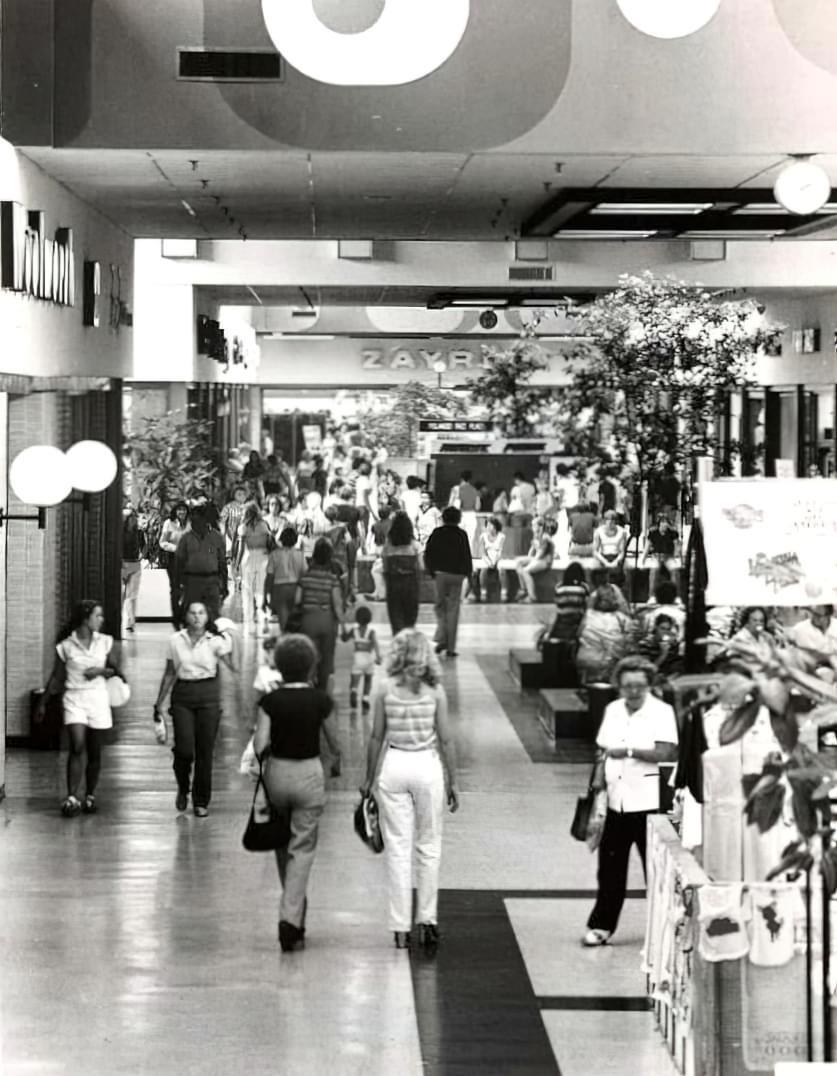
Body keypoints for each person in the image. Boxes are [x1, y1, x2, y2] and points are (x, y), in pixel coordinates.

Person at [361, 629, 459, 950]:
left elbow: (376, 737)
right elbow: (445, 740)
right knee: (429, 846)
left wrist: (368, 778)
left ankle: (399, 927)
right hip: (427, 766)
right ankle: (427, 921)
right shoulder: (435, 692)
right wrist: (454, 780)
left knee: (398, 849)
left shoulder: (384, 689)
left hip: (395, 765)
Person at [252, 634, 342, 952]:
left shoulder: (270, 701)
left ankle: (296, 912)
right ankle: (289, 919)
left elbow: (260, 745)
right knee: (302, 848)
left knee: (281, 842)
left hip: (277, 773)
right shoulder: (321, 701)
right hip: (308, 774)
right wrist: (336, 762)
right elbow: (335, 744)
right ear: (310, 666)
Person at [583, 656, 678, 947]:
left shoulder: (662, 712)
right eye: (627, 686)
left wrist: (628, 751)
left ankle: (667, 927)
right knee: (610, 869)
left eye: (639, 686)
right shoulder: (612, 710)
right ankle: (602, 925)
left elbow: (666, 753)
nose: (633, 691)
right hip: (616, 800)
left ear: (649, 685)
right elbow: (603, 749)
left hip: (648, 802)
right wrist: (597, 781)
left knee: (655, 869)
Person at [36, 600, 126, 817]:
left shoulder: (105, 642)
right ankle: (71, 796)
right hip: (74, 698)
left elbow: (115, 671)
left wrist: (100, 672)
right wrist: (43, 702)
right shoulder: (66, 646)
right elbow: (57, 676)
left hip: (98, 698)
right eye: (98, 616)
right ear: (85, 618)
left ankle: (90, 795)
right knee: (76, 745)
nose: (102, 620)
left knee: (94, 750)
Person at [152, 601, 236, 817]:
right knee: (184, 748)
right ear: (185, 616)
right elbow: (170, 672)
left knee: (205, 751)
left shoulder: (215, 641)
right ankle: (182, 785)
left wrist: (228, 645)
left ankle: (201, 800)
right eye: (193, 613)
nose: (197, 617)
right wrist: (159, 702)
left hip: (208, 694)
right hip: (183, 695)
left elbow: (231, 665)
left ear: (207, 617)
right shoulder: (175, 640)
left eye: (201, 612)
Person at [296, 537, 345, 691]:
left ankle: (308, 682)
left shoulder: (305, 577)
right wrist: (344, 625)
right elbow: (337, 605)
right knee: (327, 656)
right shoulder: (332, 579)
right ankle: (322, 688)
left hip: (308, 619)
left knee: (310, 653)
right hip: (327, 620)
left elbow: (297, 600)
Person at [424, 506, 473, 659]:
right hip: (457, 576)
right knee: (453, 610)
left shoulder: (437, 533)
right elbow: (467, 556)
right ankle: (450, 646)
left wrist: (431, 571)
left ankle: (442, 638)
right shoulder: (462, 534)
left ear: (443, 518)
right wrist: (469, 575)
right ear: (458, 519)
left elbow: (428, 553)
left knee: (440, 607)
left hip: (440, 574)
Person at [575, 584, 634, 685]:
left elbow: (578, 634)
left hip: (585, 659)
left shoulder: (588, 615)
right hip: (611, 661)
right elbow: (630, 640)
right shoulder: (621, 618)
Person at [236, 501, 273, 633]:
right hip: (263, 557)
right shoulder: (264, 526)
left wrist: (236, 565)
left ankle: (248, 620)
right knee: (261, 588)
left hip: (248, 557)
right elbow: (269, 544)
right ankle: (262, 613)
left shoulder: (243, 527)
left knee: (247, 589)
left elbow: (240, 549)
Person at [383, 510, 421, 635]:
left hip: (393, 584)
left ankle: (398, 643)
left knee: (395, 617)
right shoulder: (415, 546)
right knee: (410, 618)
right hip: (410, 584)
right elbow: (421, 566)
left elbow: (385, 567)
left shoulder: (388, 546)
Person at [264, 526, 307, 632]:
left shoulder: (274, 555)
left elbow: (269, 577)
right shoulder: (300, 555)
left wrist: (266, 595)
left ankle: (286, 641)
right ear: (295, 540)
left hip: (279, 589)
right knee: (295, 621)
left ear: (282, 539)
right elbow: (305, 574)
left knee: (284, 623)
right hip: (295, 589)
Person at [342, 604, 381, 712]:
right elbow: (376, 644)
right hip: (368, 658)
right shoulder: (371, 633)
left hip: (357, 658)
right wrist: (378, 656)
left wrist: (343, 626)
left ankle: (354, 691)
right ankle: (365, 698)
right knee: (368, 680)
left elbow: (344, 639)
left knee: (354, 680)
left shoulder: (353, 631)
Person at [159, 502, 189, 628]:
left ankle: (184, 615)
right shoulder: (169, 523)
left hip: (188, 559)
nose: (182, 512)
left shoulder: (190, 524)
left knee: (187, 588)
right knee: (175, 589)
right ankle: (176, 617)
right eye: (179, 510)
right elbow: (162, 542)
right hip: (173, 559)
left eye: (184, 510)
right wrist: (176, 548)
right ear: (175, 512)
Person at [515, 517, 558, 603]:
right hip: (539, 559)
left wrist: (530, 561)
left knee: (525, 571)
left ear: (540, 527)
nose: (532, 527)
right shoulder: (537, 536)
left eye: (534, 525)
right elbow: (531, 552)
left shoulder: (545, 537)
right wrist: (526, 560)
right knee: (518, 562)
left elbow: (540, 554)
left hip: (545, 561)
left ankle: (532, 596)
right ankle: (524, 589)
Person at [121, 508, 146, 634]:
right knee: (122, 595)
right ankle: (120, 621)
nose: (133, 519)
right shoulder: (120, 532)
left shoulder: (139, 532)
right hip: (123, 564)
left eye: (134, 517)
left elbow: (144, 547)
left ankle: (131, 622)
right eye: (131, 517)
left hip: (134, 564)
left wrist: (142, 556)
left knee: (131, 596)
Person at [643, 513, 680, 595]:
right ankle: (651, 596)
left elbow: (677, 546)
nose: (664, 524)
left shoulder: (673, 533)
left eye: (666, 522)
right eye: (662, 522)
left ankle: (676, 596)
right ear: (659, 523)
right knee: (654, 571)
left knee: (675, 571)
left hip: (669, 557)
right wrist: (643, 560)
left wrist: (678, 558)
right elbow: (647, 547)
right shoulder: (653, 533)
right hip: (656, 556)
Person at [729, 606, 775, 670]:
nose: (759, 624)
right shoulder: (739, 638)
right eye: (755, 620)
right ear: (747, 623)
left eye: (761, 621)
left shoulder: (764, 637)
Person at [472, 516, 505, 603]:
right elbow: (483, 552)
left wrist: (495, 561)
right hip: (487, 558)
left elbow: (501, 551)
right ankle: (483, 592)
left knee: (502, 569)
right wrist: (489, 562)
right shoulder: (483, 536)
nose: (489, 528)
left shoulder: (501, 536)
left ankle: (504, 592)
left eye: (492, 525)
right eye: (488, 525)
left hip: (498, 557)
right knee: (483, 569)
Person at [220, 486, 248, 586]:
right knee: (232, 559)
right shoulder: (228, 507)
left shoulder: (248, 507)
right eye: (239, 494)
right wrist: (224, 538)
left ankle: (241, 579)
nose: (241, 496)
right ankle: (235, 579)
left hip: (245, 539)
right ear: (234, 495)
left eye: (243, 494)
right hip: (231, 537)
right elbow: (222, 523)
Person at [593, 509, 628, 582]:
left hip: (616, 557)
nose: (609, 522)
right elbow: (595, 551)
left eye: (612, 520)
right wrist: (605, 562)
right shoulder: (598, 531)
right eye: (607, 520)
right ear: (604, 521)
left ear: (615, 522)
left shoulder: (622, 532)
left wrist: (615, 562)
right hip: (603, 557)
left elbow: (622, 552)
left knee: (619, 573)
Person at [450, 470, 479, 550]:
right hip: (471, 516)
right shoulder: (474, 490)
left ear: (461, 478)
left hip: (460, 515)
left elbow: (451, 505)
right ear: (470, 479)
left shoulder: (456, 489)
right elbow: (477, 506)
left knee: (457, 538)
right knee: (469, 539)